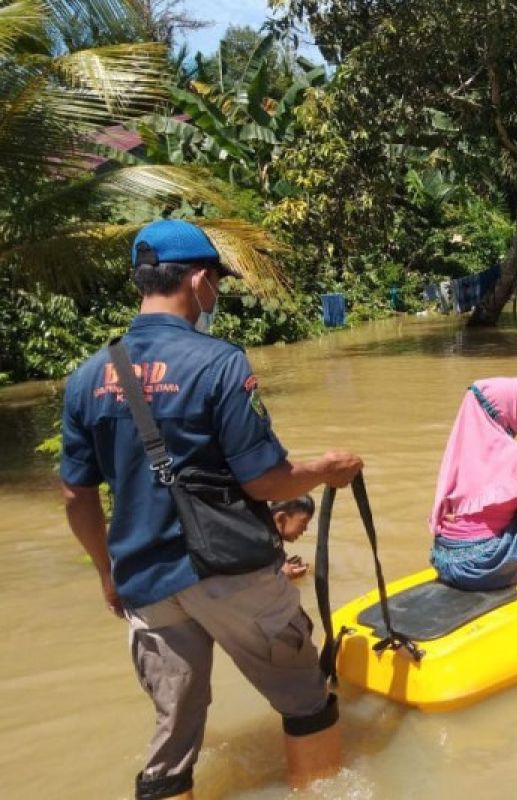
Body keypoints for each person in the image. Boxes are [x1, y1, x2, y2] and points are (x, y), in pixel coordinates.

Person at [58, 219, 363, 800]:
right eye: (216, 283)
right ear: (199, 279)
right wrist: (327, 472)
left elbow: (76, 495)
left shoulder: (87, 378)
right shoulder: (219, 363)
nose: (214, 296)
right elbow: (266, 480)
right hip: (229, 573)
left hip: (145, 581)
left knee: (173, 738)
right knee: (306, 699)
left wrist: (107, 574)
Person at [429, 377, 517, 590]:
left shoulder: (461, 449)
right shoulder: (513, 452)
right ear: (503, 411)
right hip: (479, 567)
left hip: (445, 560)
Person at [272, 495, 316, 579]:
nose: (305, 529)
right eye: (303, 522)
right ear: (281, 518)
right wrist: (281, 574)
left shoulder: (273, 538)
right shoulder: (260, 542)